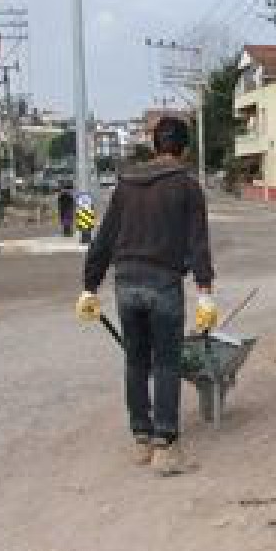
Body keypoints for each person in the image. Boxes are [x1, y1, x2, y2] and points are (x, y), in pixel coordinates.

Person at [75, 117, 217, 475]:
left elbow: (104, 238)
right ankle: (165, 447)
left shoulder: (126, 185)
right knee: (166, 362)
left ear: (155, 146)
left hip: (125, 282)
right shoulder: (186, 187)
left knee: (136, 361)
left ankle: (141, 437)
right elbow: (198, 243)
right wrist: (204, 292)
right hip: (163, 283)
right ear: (183, 149)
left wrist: (89, 287)